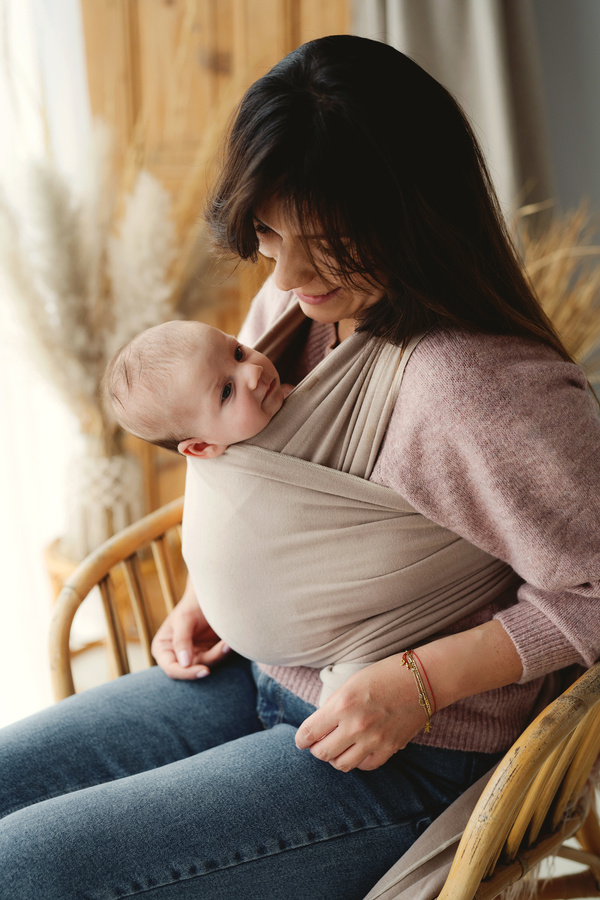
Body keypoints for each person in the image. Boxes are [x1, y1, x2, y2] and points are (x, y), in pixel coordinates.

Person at [1, 34, 599, 900]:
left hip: (404, 748)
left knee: (25, 866)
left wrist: (420, 683)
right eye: (271, 233)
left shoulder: (477, 393)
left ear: (412, 216)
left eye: (323, 240)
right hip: (253, 673)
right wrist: (216, 588)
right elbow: (268, 473)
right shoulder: (298, 307)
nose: (282, 271)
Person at [102, 319, 294, 458]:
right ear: (202, 446)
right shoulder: (258, 467)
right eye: (226, 391)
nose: (254, 372)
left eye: (238, 353)